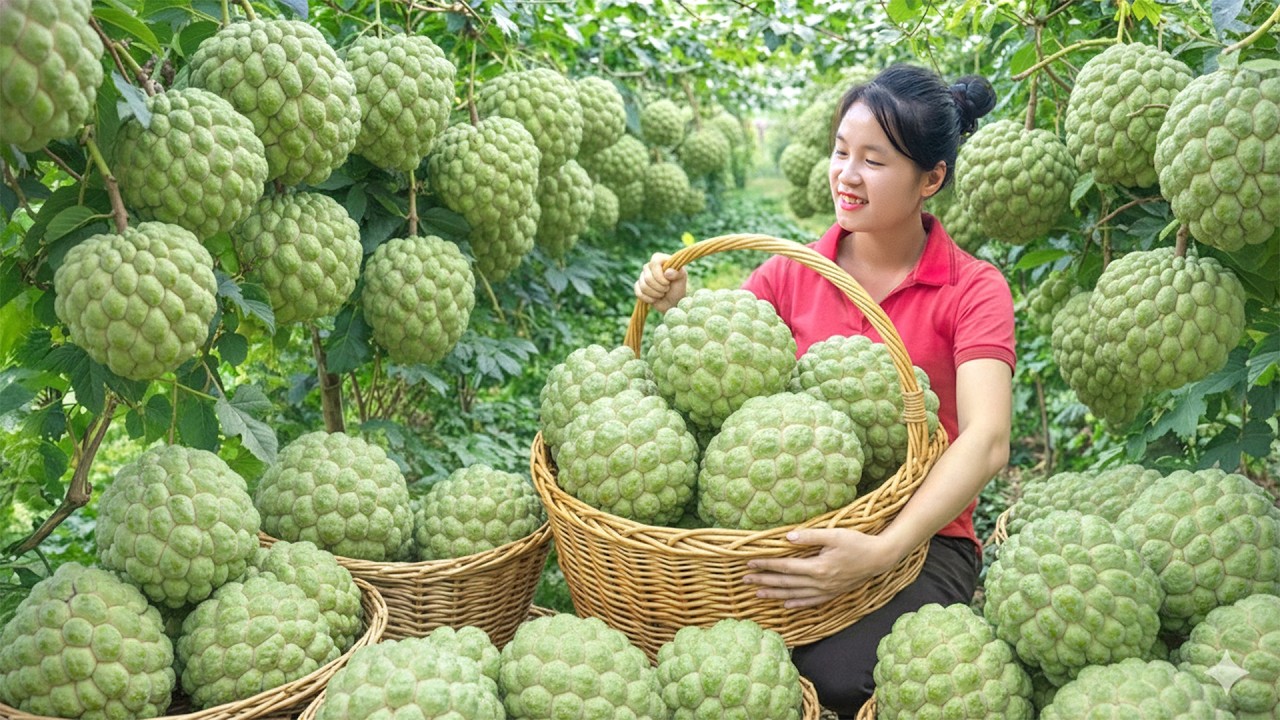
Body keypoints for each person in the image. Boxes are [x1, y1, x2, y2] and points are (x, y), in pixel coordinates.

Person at [634, 64, 1013, 717]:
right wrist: (678, 305)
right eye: (841, 151)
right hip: (788, 534)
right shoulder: (790, 272)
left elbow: (987, 440)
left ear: (932, 179)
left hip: (920, 539)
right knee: (705, 669)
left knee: (837, 677)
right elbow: (729, 364)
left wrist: (882, 550)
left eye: (874, 160)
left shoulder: (974, 288)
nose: (846, 174)